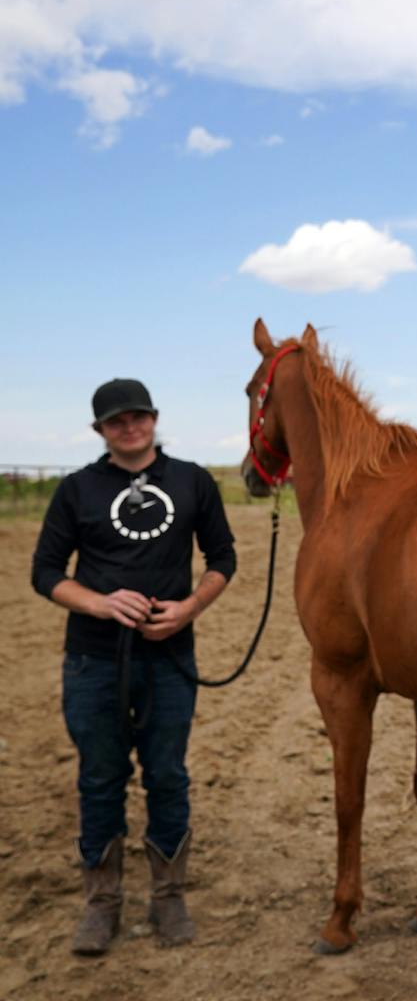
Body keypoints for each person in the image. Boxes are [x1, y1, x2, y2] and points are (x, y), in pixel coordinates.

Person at [31, 378, 237, 955]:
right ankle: (102, 904)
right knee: (99, 778)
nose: (130, 427)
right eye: (117, 421)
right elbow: (46, 571)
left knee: (167, 774)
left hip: (170, 657)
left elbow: (222, 557)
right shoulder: (77, 490)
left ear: (154, 418)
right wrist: (100, 602)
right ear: (100, 430)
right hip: (92, 660)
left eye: (139, 416)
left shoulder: (192, 481)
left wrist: (190, 608)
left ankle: (168, 898)